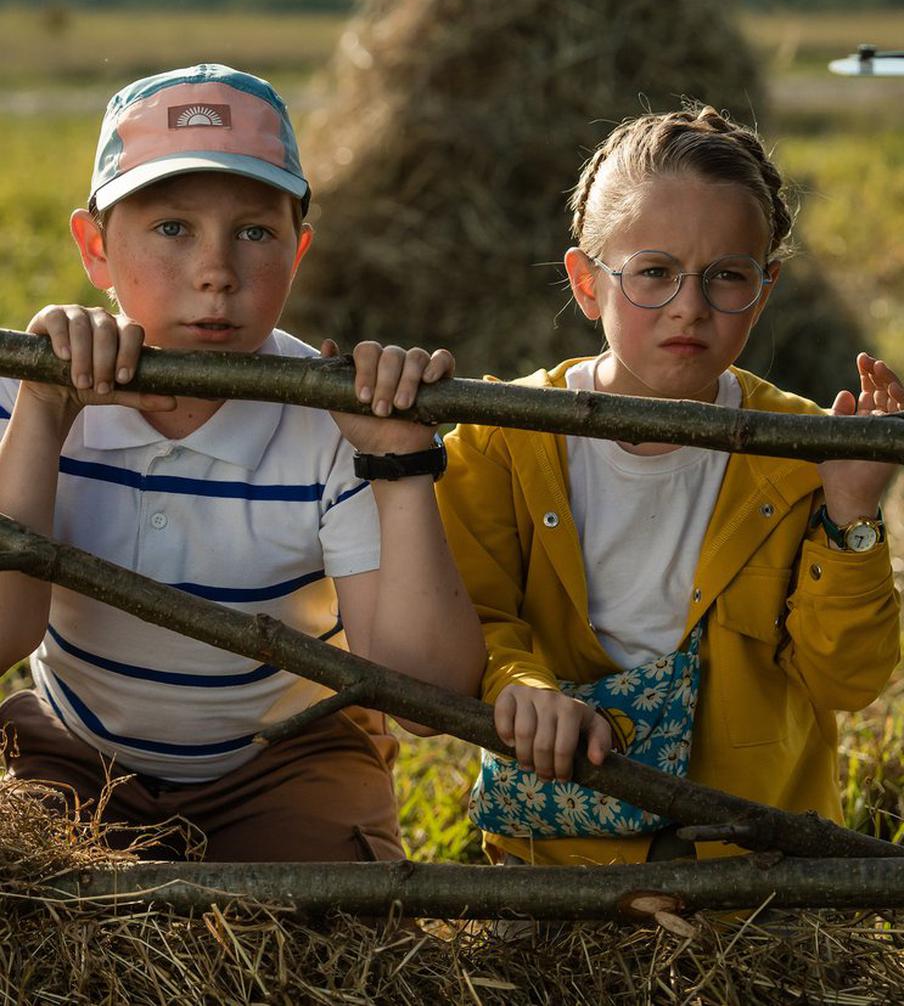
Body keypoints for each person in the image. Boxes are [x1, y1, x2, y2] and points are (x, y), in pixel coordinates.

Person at [0, 63, 485, 863]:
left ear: (298, 250)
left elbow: (426, 697)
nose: (217, 270)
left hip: (282, 759)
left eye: (255, 232)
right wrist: (45, 417)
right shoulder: (28, 393)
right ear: (95, 247)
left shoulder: (333, 423)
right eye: (171, 228)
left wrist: (399, 468)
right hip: (75, 747)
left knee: (329, 927)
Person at [436, 104, 902, 867]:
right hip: (554, 870)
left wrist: (851, 512)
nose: (691, 305)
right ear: (586, 284)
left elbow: (847, 681)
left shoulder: (803, 448)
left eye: (727, 276)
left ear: (766, 286)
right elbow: (470, 618)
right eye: (654, 272)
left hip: (757, 874)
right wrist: (520, 683)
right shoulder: (503, 438)